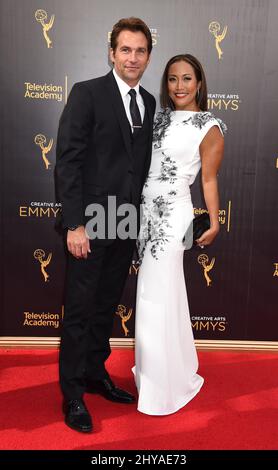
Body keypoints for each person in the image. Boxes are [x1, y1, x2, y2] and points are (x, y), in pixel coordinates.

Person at [55, 17, 156, 432]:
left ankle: (96, 374)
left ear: (148, 56)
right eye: (126, 50)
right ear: (112, 53)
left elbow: (139, 169)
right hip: (90, 224)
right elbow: (68, 161)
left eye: (140, 51)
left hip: (125, 223)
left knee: (104, 308)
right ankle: (73, 392)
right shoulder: (88, 94)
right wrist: (74, 225)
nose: (133, 58)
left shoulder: (149, 102)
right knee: (79, 311)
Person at [133, 54, 226, 415]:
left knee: (156, 291)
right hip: (142, 213)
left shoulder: (209, 125)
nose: (179, 86)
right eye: (173, 79)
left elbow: (208, 179)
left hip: (174, 215)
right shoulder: (156, 118)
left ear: (199, 83)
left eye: (187, 79)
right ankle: (167, 369)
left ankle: (163, 386)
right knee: (161, 291)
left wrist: (215, 221)